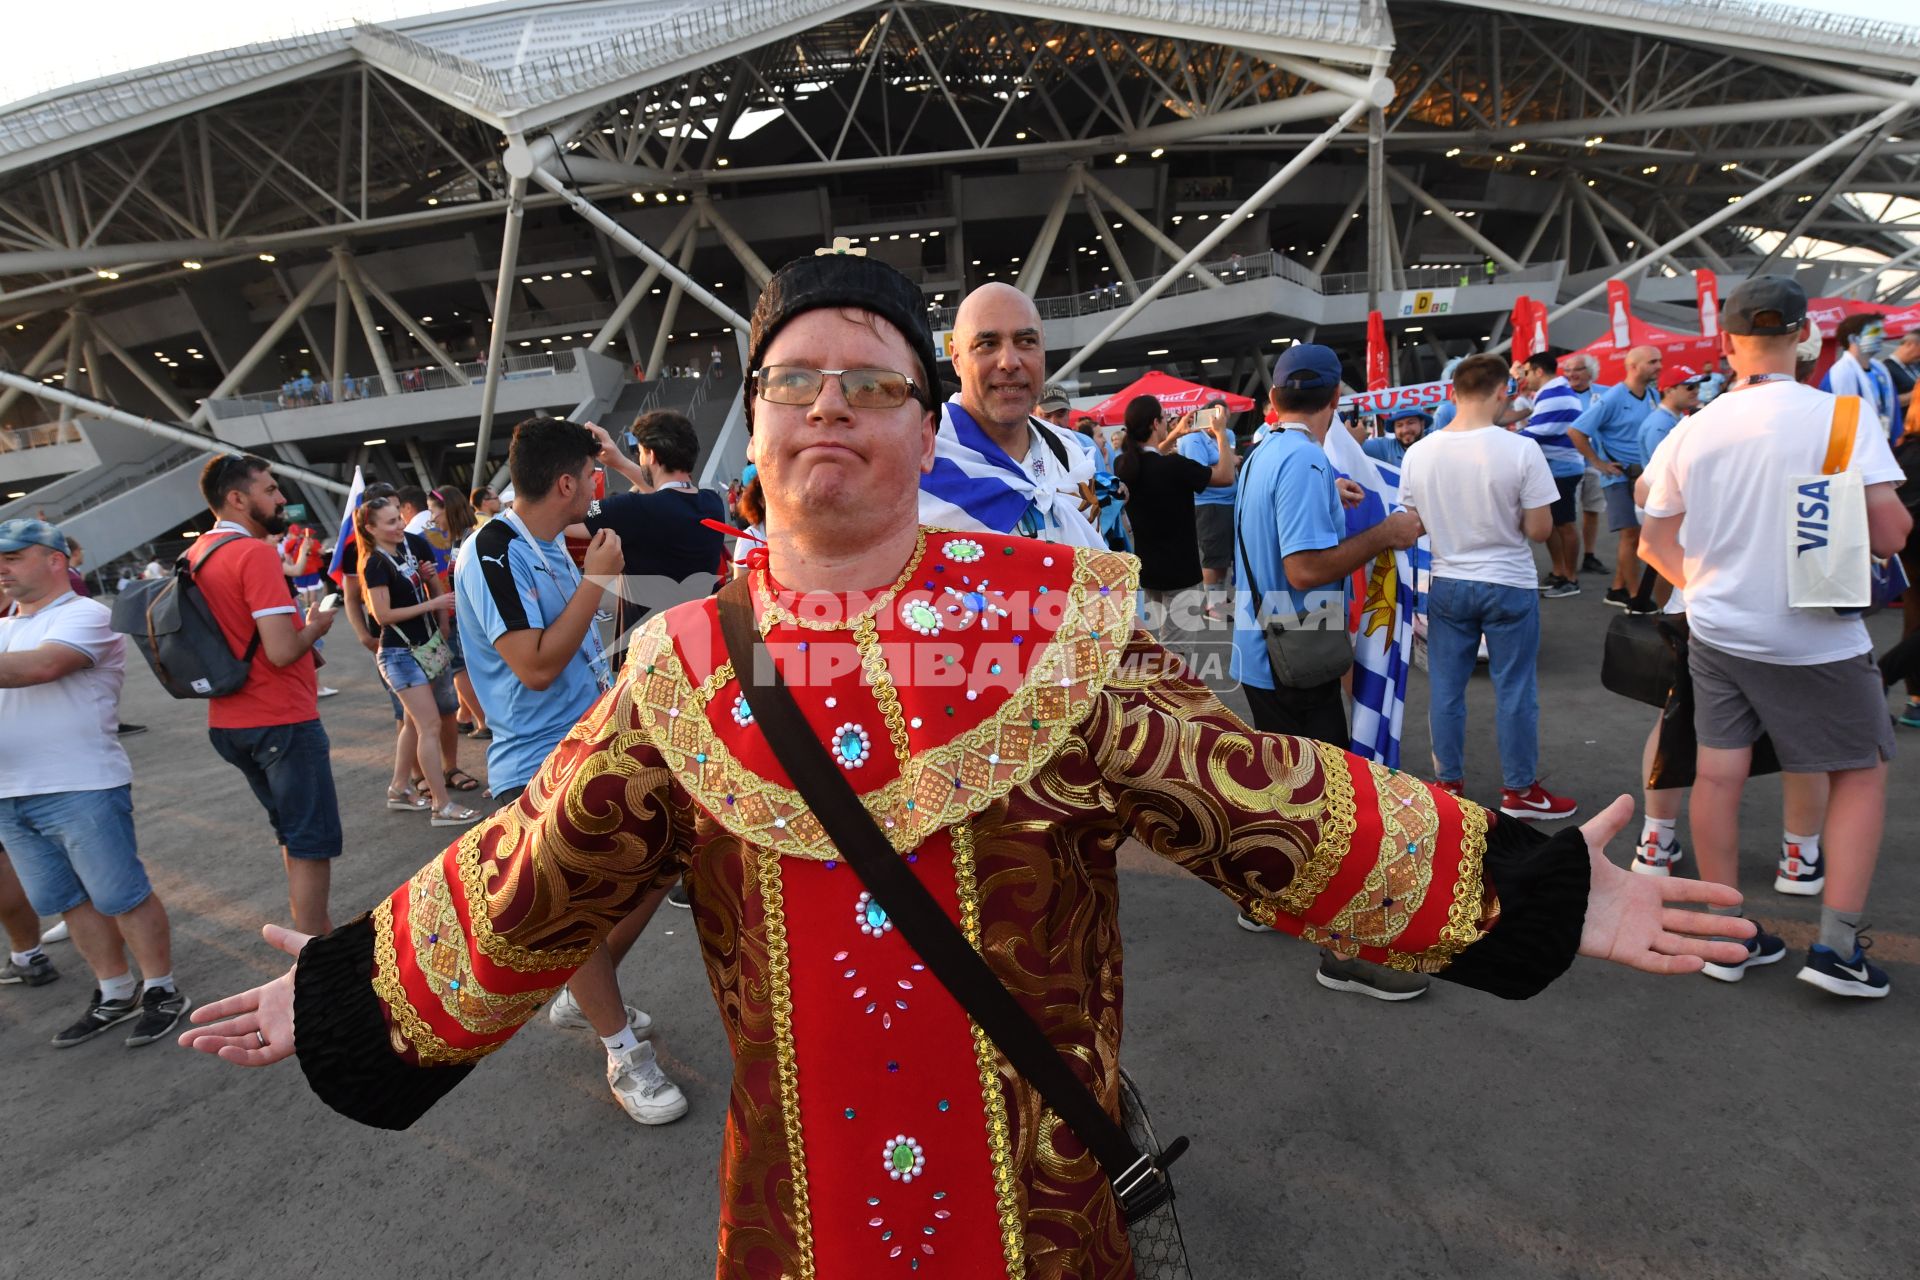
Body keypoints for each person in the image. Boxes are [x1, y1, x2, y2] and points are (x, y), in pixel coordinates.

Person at [181, 255, 1753, 1279]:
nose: (831, 410)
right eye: (796, 381)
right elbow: (536, 873)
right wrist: (350, 986)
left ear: (922, 431)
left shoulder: (1059, 622)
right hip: (797, 1221)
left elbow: (1254, 801)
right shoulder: (683, 669)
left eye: (871, 383)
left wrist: (1527, 889)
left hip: (1043, 1204)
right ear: (755, 426)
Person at [1639, 276, 1909, 998]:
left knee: (1717, 774)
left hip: (1718, 629)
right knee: (1859, 769)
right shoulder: (1844, 417)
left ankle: (1726, 938)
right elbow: (1890, 532)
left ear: (1728, 342)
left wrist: (1704, 586)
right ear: (1804, 338)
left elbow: (1654, 543)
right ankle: (1839, 950)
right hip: (1817, 638)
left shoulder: (1693, 426)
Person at [454, 416, 686, 1125]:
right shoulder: (492, 550)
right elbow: (535, 665)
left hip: (593, 740)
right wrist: (597, 583)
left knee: (665, 861)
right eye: (593, 475)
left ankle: (581, 987)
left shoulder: (553, 540)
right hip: (533, 762)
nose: (601, 486)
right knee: (578, 910)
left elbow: (666, 502)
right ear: (567, 483)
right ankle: (622, 1052)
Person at [0, 517, 190, 1048]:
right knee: (68, 900)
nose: (2, 568)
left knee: (120, 894)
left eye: (13, 557)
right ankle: (115, 991)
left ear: (55, 560)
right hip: (11, 790)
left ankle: (162, 989)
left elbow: (43, 667)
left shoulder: (87, 614)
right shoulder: (5, 624)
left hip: (80, 782)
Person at [1398, 356, 1576, 822]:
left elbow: (1410, 524)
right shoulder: (1521, 449)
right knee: (1515, 689)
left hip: (1449, 579)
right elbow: (1540, 530)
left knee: (1446, 689)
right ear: (1503, 392)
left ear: (1453, 392)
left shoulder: (1419, 451)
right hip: (1508, 582)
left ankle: (1448, 785)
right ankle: (1519, 791)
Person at [195, 455, 342, 937]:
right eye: (271, 489)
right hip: (280, 718)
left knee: (291, 833)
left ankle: (309, 933)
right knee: (310, 842)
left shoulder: (196, 554)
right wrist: (315, 626)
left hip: (230, 718)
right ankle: (317, 953)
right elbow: (280, 651)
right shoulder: (253, 553)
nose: (282, 499)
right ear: (237, 498)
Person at [917, 282, 1104, 547]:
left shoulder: (1072, 453)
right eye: (987, 344)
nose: (1009, 362)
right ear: (957, 358)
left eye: (1026, 341)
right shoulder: (917, 460)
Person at [356, 497, 479, 826]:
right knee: (428, 726)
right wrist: (434, 604)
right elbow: (382, 615)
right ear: (370, 529)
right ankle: (441, 805)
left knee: (415, 724)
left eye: (399, 518)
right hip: (400, 654)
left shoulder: (405, 548)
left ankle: (399, 788)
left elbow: (423, 590)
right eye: (390, 522)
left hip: (424, 646)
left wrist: (433, 597)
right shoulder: (375, 564)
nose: (399, 525)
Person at [573, 410, 727, 657]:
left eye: (641, 453)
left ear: (651, 455)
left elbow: (567, 518)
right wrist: (620, 461)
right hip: (702, 642)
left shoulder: (632, 509)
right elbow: (669, 498)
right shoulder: (712, 504)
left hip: (652, 656)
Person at [1114, 395, 1233, 645]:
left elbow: (1149, 458)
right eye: (1165, 419)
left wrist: (1176, 434)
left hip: (1150, 570)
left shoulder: (1124, 465)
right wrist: (1221, 435)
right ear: (1154, 424)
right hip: (1181, 572)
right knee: (1177, 652)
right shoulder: (1174, 466)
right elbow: (1225, 476)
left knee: (1166, 643)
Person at [1569, 345, 1661, 613]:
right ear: (1633, 366)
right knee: (1631, 535)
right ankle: (1635, 598)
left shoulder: (1652, 394)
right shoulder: (1612, 397)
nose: (1659, 366)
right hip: (1620, 478)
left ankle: (1618, 588)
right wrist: (1599, 463)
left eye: (1659, 361)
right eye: (1652, 361)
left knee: (1637, 535)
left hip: (1642, 476)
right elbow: (1576, 431)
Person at [1516, 354, 1586, 596]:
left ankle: (1570, 579)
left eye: (1526, 372)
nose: (1524, 378)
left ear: (1537, 371)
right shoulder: (1553, 391)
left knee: (1564, 524)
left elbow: (1538, 431)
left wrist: (1501, 440)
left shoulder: (1555, 393)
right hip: (1556, 467)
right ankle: (1559, 574)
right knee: (1554, 524)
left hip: (1562, 469)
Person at [427, 489, 487, 740]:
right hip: (463, 618)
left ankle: (485, 722)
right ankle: (467, 716)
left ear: (448, 509)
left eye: (433, 510)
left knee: (459, 670)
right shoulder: (458, 540)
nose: (431, 518)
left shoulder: (469, 540)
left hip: (471, 621)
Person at [1175, 397, 1240, 620]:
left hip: (1225, 503)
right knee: (1214, 557)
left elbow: (1225, 462)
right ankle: (1213, 606)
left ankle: (1218, 600)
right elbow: (1200, 473)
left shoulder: (1218, 436)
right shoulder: (1194, 438)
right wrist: (1228, 462)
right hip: (1209, 506)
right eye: (1222, 419)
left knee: (1222, 557)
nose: (1224, 424)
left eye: (1226, 420)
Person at [1560, 354, 1609, 574]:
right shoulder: (1559, 394)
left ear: (1590, 372)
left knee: (1592, 509)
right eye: (1567, 371)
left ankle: (1589, 555)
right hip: (1567, 461)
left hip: (1594, 461)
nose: (1571, 375)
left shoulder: (1604, 393)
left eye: (1576, 370)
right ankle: (1563, 563)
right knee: (1566, 515)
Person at [1820, 314, 1898, 438]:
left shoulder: (1882, 372)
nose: (1883, 335)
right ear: (1854, 339)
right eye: (1876, 331)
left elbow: (1894, 411)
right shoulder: (1838, 375)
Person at [1361, 407, 1429, 469]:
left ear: (1422, 424)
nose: (1405, 430)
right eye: (1399, 425)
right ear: (1394, 429)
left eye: (1410, 423)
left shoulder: (1435, 443)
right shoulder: (1385, 448)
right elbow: (1353, 443)